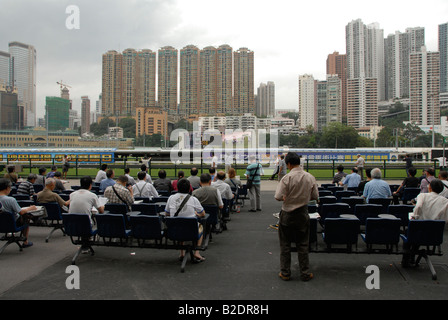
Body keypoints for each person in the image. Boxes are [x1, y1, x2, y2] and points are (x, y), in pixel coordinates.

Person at [274, 152, 318, 282]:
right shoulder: (310, 177)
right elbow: (315, 196)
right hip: (303, 213)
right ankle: (305, 272)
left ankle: (285, 273)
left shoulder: (286, 178)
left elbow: (277, 197)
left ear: (288, 164)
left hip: (287, 213)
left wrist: (287, 197)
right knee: (303, 244)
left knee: (285, 245)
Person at [402, 179, 448, 267]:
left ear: (430, 187)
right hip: (435, 233)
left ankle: (406, 259)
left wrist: (414, 216)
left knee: (411, 231)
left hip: (419, 229)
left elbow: (418, 206)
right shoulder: (445, 201)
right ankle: (411, 257)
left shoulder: (423, 195)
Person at [165, 178, 206, 262]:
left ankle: (182, 253)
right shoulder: (193, 199)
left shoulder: (171, 198)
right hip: (190, 230)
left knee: (179, 223)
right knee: (200, 226)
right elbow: (203, 214)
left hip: (174, 229)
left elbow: (167, 213)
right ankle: (197, 252)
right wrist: (196, 214)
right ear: (189, 188)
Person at [0, 178, 36, 248]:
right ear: (7, 188)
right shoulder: (11, 200)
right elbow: (21, 212)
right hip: (12, 223)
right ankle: (25, 242)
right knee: (26, 217)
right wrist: (30, 208)